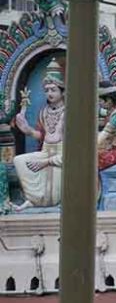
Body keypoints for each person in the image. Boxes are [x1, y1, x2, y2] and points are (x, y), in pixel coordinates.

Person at [13, 58, 65, 211]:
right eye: (47, 90)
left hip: (63, 155)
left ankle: (56, 201)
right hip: (46, 151)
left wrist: (47, 162)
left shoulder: (69, 112)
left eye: (53, 90)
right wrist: (28, 130)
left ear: (62, 92)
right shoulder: (44, 111)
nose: (49, 93)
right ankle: (33, 199)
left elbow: (74, 147)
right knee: (19, 161)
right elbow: (42, 136)